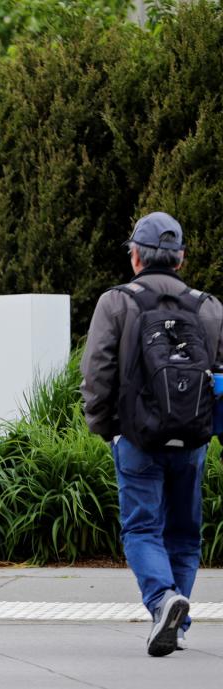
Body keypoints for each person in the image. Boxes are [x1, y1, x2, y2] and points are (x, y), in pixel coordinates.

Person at [81, 211, 223, 656]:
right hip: (193, 439)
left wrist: (106, 429)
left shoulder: (116, 302)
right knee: (183, 533)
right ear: (180, 259)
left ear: (136, 258)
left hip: (137, 438)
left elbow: (97, 372)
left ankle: (163, 600)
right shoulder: (209, 306)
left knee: (142, 529)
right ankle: (175, 625)